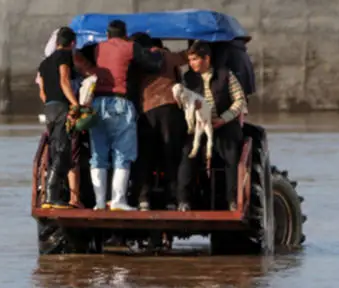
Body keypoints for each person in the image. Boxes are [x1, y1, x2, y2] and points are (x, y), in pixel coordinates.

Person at [86, 19, 163, 210]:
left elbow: (78, 58)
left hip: (97, 104)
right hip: (121, 103)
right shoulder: (131, 47)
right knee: (123, 153)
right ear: (125, 34)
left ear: (107, 34)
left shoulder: (96, 48)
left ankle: (99, 202)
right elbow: (153, 65)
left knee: (98, 154)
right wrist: (157, 54)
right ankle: (118, 201)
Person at [175, 41, 248, 211]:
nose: (191, 63)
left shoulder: (225, 75)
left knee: (231, 157)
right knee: (188, 155)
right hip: (199, 126)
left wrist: (223, 119)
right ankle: (183, 201)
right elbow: (182, 103)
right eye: (190, 60)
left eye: (194, 59)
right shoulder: (188, 79)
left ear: (206, 58)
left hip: (224, 125)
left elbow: (240, 101)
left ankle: (232, 201)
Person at [130, 34, 190, 211]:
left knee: (144, 156)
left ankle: (143, 199)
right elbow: (185, 57)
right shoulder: (166, 55)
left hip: (146, 111)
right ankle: (173, 200)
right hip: (169, 110)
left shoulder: (137, 59)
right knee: (171, 155)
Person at [37, 26, 81, 208]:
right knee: (63, 149)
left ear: (56, 42)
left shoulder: (45, 63)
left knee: (55, 148)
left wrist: (51, 104)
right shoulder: (64, 57)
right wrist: (74, 103)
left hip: (49, 108)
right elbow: (64, 79)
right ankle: (51, 196)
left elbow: (43, 93)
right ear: (72, 43)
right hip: (62, 107)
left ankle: (50, 196)